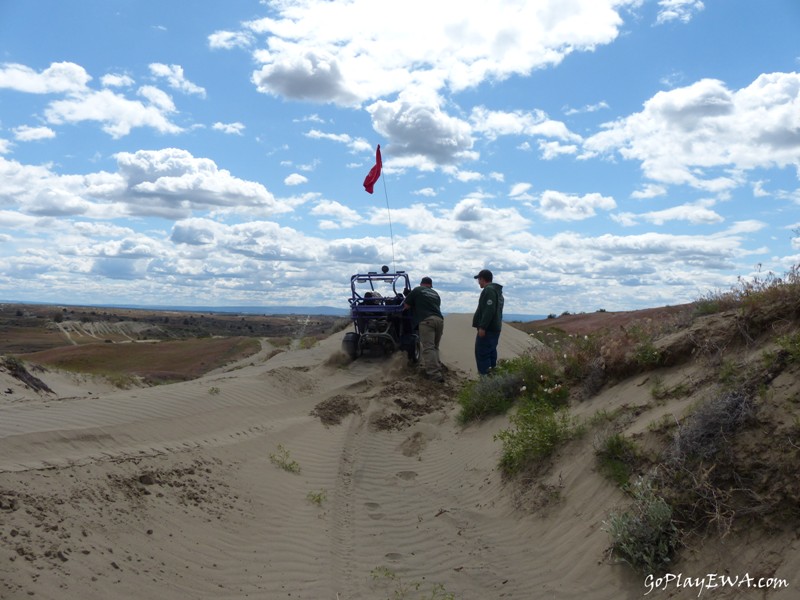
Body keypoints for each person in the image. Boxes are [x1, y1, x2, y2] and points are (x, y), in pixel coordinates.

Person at [403, 276, 444, 382]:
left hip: (426, 321)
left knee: (428, 348)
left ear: (421, 284)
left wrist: (408, 297)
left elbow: (406, 305)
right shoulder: (435, 294)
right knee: (435, 347)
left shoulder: (417, 290)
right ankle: (438, 368)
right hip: (439, 320)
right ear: (430, 285)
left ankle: (434, 375)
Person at [472, 269, 504, 376]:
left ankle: (485, 381)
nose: (478, 282)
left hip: (488, 330)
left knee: (482, 354)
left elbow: (489, 309)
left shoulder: (489, 290)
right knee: (491, 354)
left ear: (483, 279)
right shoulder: (497, 291)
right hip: (495, 329)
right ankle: (492, 379)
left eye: (479, 279)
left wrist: (482, 327)